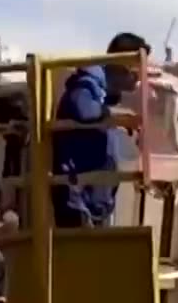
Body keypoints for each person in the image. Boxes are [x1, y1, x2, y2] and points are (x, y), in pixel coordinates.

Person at [53, 31, 152, 228]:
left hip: (92, 198)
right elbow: (82, 109)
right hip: (77, 198)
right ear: (125, 66)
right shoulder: (87, 85)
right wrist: (111, 115)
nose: (141, 75)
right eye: (138, 67)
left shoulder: (102, 93)